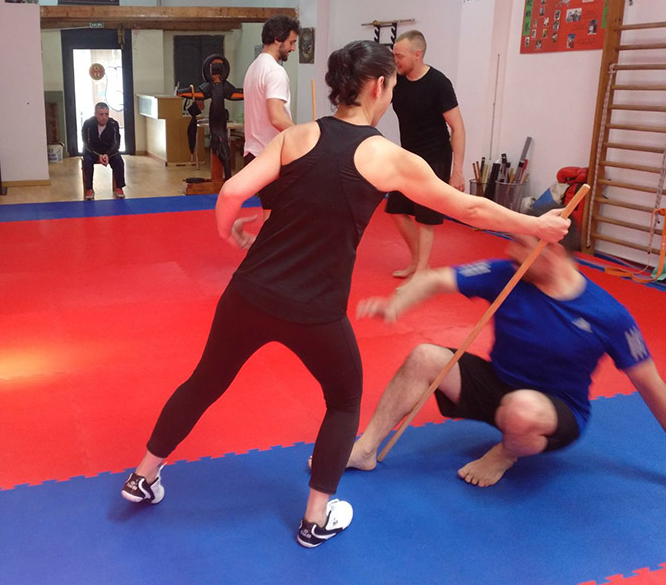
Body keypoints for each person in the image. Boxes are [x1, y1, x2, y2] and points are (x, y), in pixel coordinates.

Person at [120, 40, 569, 549]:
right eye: (392, 85)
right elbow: (469, 209)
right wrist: (536, 225)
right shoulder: (388, 157)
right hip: (313, 310)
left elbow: (230, 192)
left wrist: (229, 232)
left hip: (248, 293)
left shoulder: (297, 136)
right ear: (378, 86)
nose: (391, 93)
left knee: (204, 382)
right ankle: (315, 519)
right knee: (344, 399)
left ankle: (143, 475)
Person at [351, 213, 666, 488]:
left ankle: (504, 454)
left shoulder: (609, 315)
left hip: (553, 411)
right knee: (424, 356)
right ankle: (365, 449)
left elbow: (652, 386)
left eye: (521, 244)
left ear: (553, 251)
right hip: (498, 387)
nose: (510, 251)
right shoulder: (507, 273)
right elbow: (436, 279)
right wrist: (396, 306)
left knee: (522, 407)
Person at [387, 30, 466, 278]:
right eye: (394, 55)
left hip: (435, 156)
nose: (396, 61)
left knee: (425, 216)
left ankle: (421, 271)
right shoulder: (397, 81)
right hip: (408, 155)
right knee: (396, 209)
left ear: (417, 55)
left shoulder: (438, 83)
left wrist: (457, 171)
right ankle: (418, 262)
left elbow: (458, 128)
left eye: (399, 56)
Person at [242, 14, 300, 217]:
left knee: (272, 213)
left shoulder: (254, 68)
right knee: (279, 216)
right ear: (277, 39)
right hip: (270, 154)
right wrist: (304, 135)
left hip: (254, 152)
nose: (293, 48)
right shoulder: (275, 72)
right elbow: (276, 117)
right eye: (291, 42)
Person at [81, 102, 125, 201]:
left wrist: (107, 154)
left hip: (109, 151)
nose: (104, 117)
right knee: (87, 161)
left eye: (106, 114)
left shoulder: (113, 124)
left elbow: (116, 143)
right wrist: (98, 155)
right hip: (92, 151)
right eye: (101, 114)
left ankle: (119, 187)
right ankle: (89, 189)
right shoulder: (88, 124)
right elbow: (86, 144)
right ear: (95, 114)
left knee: (118, 160)